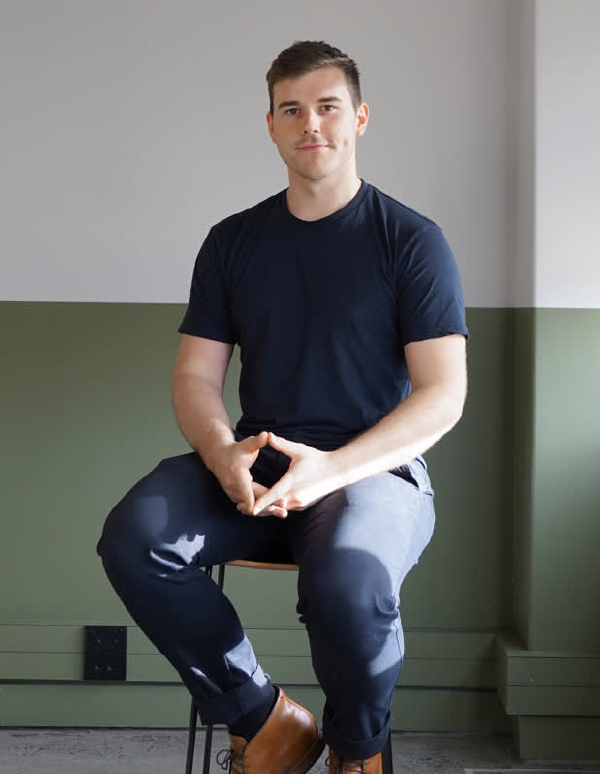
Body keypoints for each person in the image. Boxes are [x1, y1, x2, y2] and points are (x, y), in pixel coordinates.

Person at [97, 40, 468, 774]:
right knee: (135, 538)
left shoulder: (412, 242)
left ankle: (356, 752)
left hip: (369, 472)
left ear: (359, 119)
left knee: (348, 587)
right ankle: (265, 720)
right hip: (255, 470)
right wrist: (220, 451)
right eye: (291, 109)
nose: (311, 124)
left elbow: (443, 395)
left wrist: (330, 470)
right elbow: (195, 378)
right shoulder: (233, 241)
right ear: (269, 125)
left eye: (328, 107)